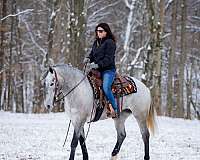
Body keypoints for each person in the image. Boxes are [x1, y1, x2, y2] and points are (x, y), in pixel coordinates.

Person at [84, 23, 119, 118]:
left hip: (108, 70)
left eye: (100, 31)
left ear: (106, 32)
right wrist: (88, 58)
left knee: (106, 87)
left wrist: (98, 64)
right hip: (96, 70)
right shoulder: (96, 42)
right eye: (97, 31)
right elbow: (92, 54)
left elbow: (109, 59)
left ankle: (115, 109)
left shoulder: (110, 42)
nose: (98, 33)